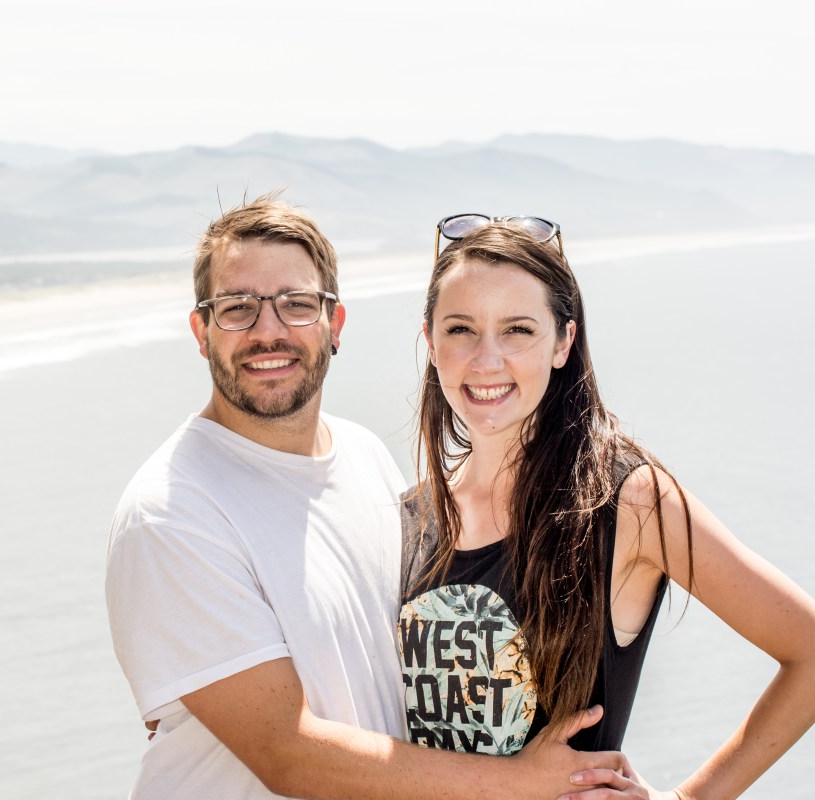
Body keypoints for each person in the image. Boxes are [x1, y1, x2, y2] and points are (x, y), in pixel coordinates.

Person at [106, 195, 629, 799]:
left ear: (334, 325)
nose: (268, 331)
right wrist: (519, 783)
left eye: (297, 304)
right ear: (202, 332)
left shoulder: (363, 455)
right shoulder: (171, 512)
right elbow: (287, 755)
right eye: (237, 308)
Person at [399, 214, 815, 797]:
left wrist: (685, 799)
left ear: (563, 342)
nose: (487, 359)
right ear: (430, 342)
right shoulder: (409, 518)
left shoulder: (626, 501)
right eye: (461, 329)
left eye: (518, 330)